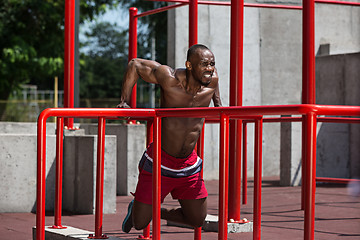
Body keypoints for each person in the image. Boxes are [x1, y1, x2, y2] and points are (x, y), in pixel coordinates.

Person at [117, 44, 222, 233]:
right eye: (204, 64)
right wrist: (124, 102)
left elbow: (219, 107)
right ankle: (139, 209)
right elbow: (134, 64)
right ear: (189, 65)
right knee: (139, 223)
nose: (209, 68)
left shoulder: (212, 80)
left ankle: (158, 212)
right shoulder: (169, 78)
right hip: (160, 162)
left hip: (188, 164)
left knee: (197, 219)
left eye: (212, 64)